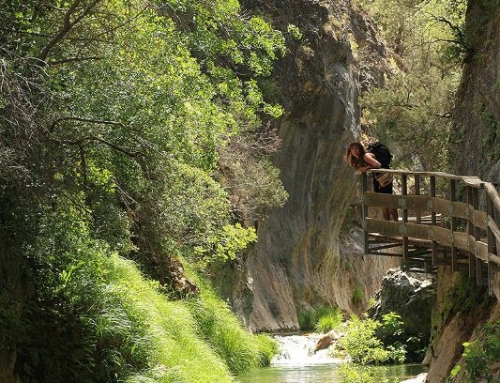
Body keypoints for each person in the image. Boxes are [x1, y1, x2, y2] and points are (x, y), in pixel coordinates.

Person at [345, 142, 398, 221]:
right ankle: (389, 225)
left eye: (356, 148)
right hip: (377, 177)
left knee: (388, 200)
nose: (354, 151)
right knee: (382, 201)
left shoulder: (365, 156)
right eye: (352, 149)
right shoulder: (357, 159)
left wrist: (367, 168)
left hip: (384, 176)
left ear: (360, 149)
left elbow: (378, 165)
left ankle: (396, 223)